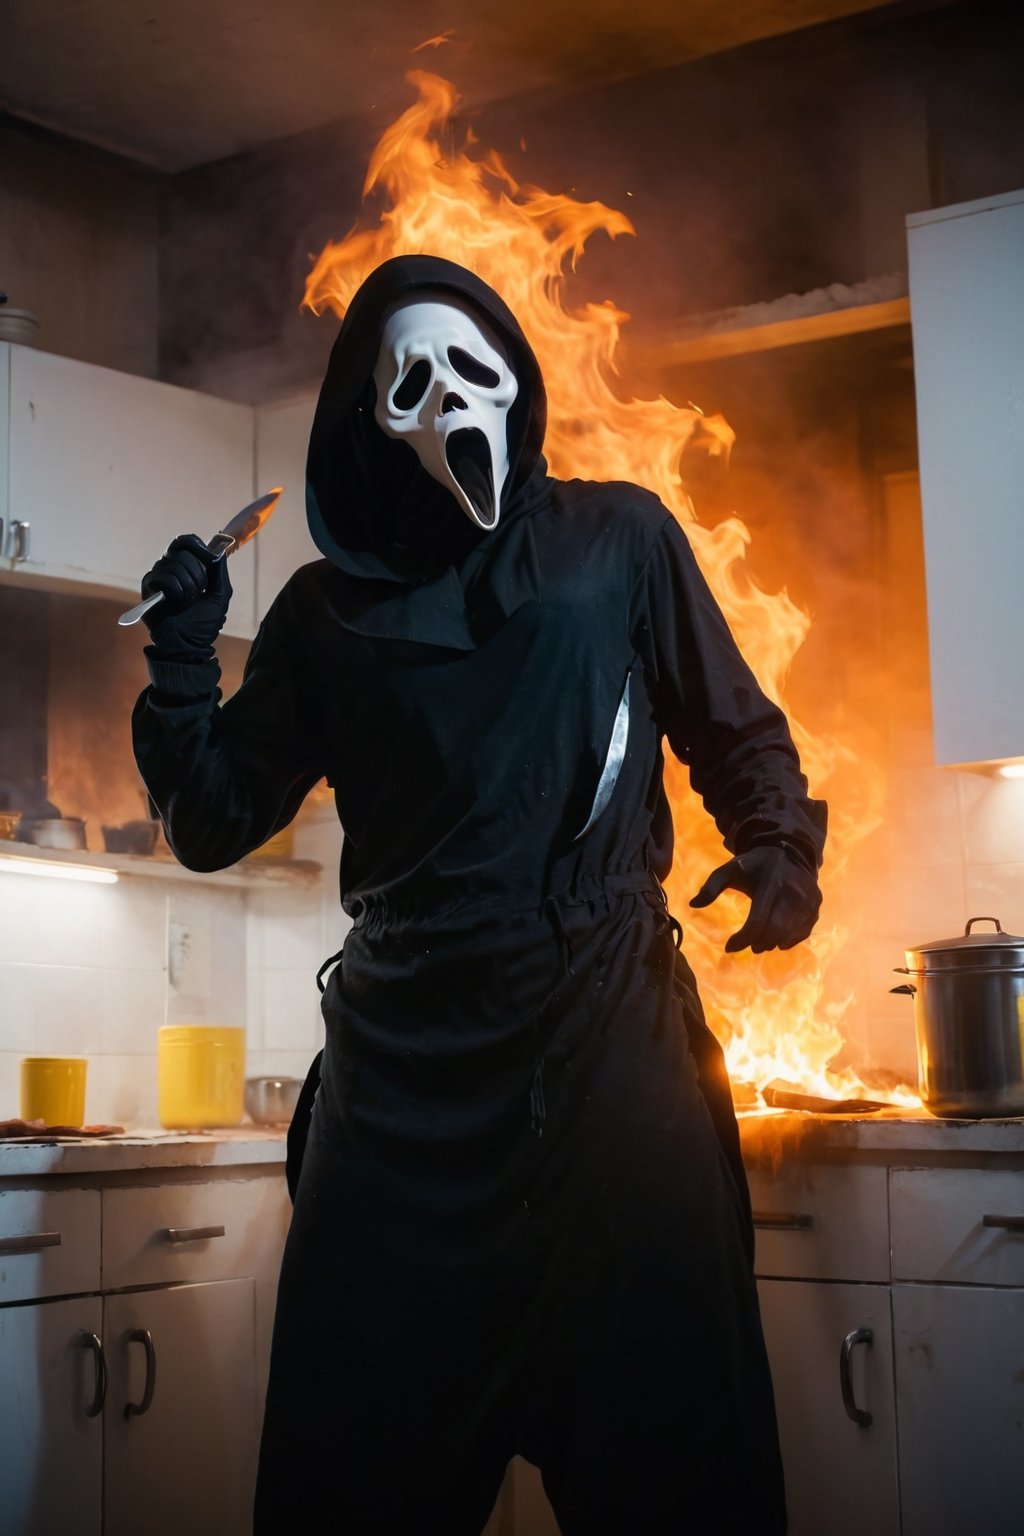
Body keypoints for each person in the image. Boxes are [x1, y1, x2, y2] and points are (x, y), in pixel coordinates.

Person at [133, 254, 826, 1535]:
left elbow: (735, 730)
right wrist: (184, 659)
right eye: (412, 380)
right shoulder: (323, 613)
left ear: (517, 380)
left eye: (473, 366)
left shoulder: (616, 539)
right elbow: (215, 820)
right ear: (369, 420)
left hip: (611, 1068)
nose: (450, 396)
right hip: (405, 1102)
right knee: (354, 1486)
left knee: (680, 1476)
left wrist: (779, 848)